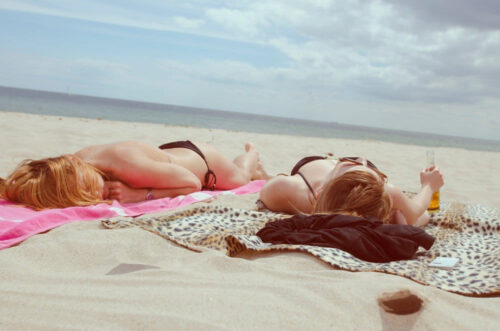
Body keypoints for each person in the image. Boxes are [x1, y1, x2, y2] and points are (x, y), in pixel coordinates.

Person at [0, 140, 269, 210]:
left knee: (243, 178)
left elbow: (191, 183)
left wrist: (142, 194)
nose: (98, 196)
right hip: (164, 160)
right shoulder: (74, 164)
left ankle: (252, 155)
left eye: (92, 189)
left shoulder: (124, 165)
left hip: (203, 162)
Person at [259, 156, 444, 226]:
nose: (362, 161)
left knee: (406, 217)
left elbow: (415, 212)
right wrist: (428, 186)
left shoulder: (287, 190)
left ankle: (261, 173)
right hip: (321, 166)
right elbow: (417, 211)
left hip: (319, 172)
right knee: (412, 218)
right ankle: (262, 173)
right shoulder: (386, 192)